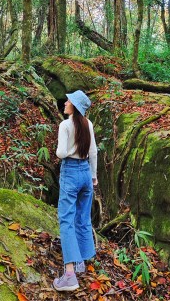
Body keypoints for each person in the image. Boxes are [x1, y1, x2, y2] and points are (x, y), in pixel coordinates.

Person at [52, 90, 98, 292]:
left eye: (68, 100)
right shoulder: (88, 124)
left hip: (70, 172)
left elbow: (61, 153)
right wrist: (94, 176)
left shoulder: (65, 125)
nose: (65, 102)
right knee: (83, 217)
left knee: (66, 219)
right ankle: (81, 262)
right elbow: (93, 152)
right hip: (86, 173)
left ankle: (69, 275)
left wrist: (58, 151)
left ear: (75, 106)